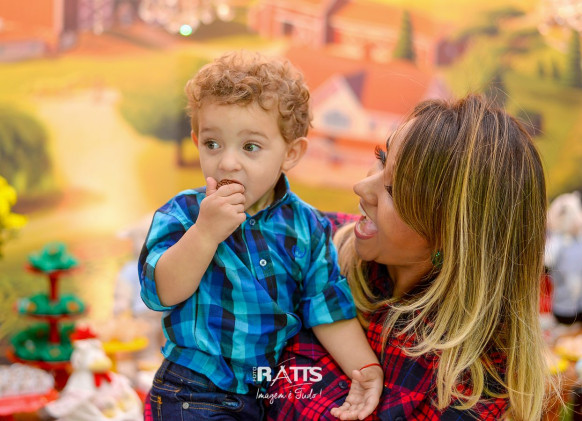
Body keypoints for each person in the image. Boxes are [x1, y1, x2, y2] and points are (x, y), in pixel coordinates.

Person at [266, 94, 554, 420]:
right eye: (381, 158)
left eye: (395, 189)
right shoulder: (309, 242)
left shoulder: (469, 389)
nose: (362, 187)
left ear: (458, 239)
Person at [138, 50, 383, 420]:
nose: (227, 162)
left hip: (263, 393)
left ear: (291, 153)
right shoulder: (185, 214)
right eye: (212, 144)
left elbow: (327, 308)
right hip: (191, 389)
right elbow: (161, 293)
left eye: (250, 147)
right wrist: (205, 233)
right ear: (196, 140)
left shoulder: (307, 227)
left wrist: (364, 369)